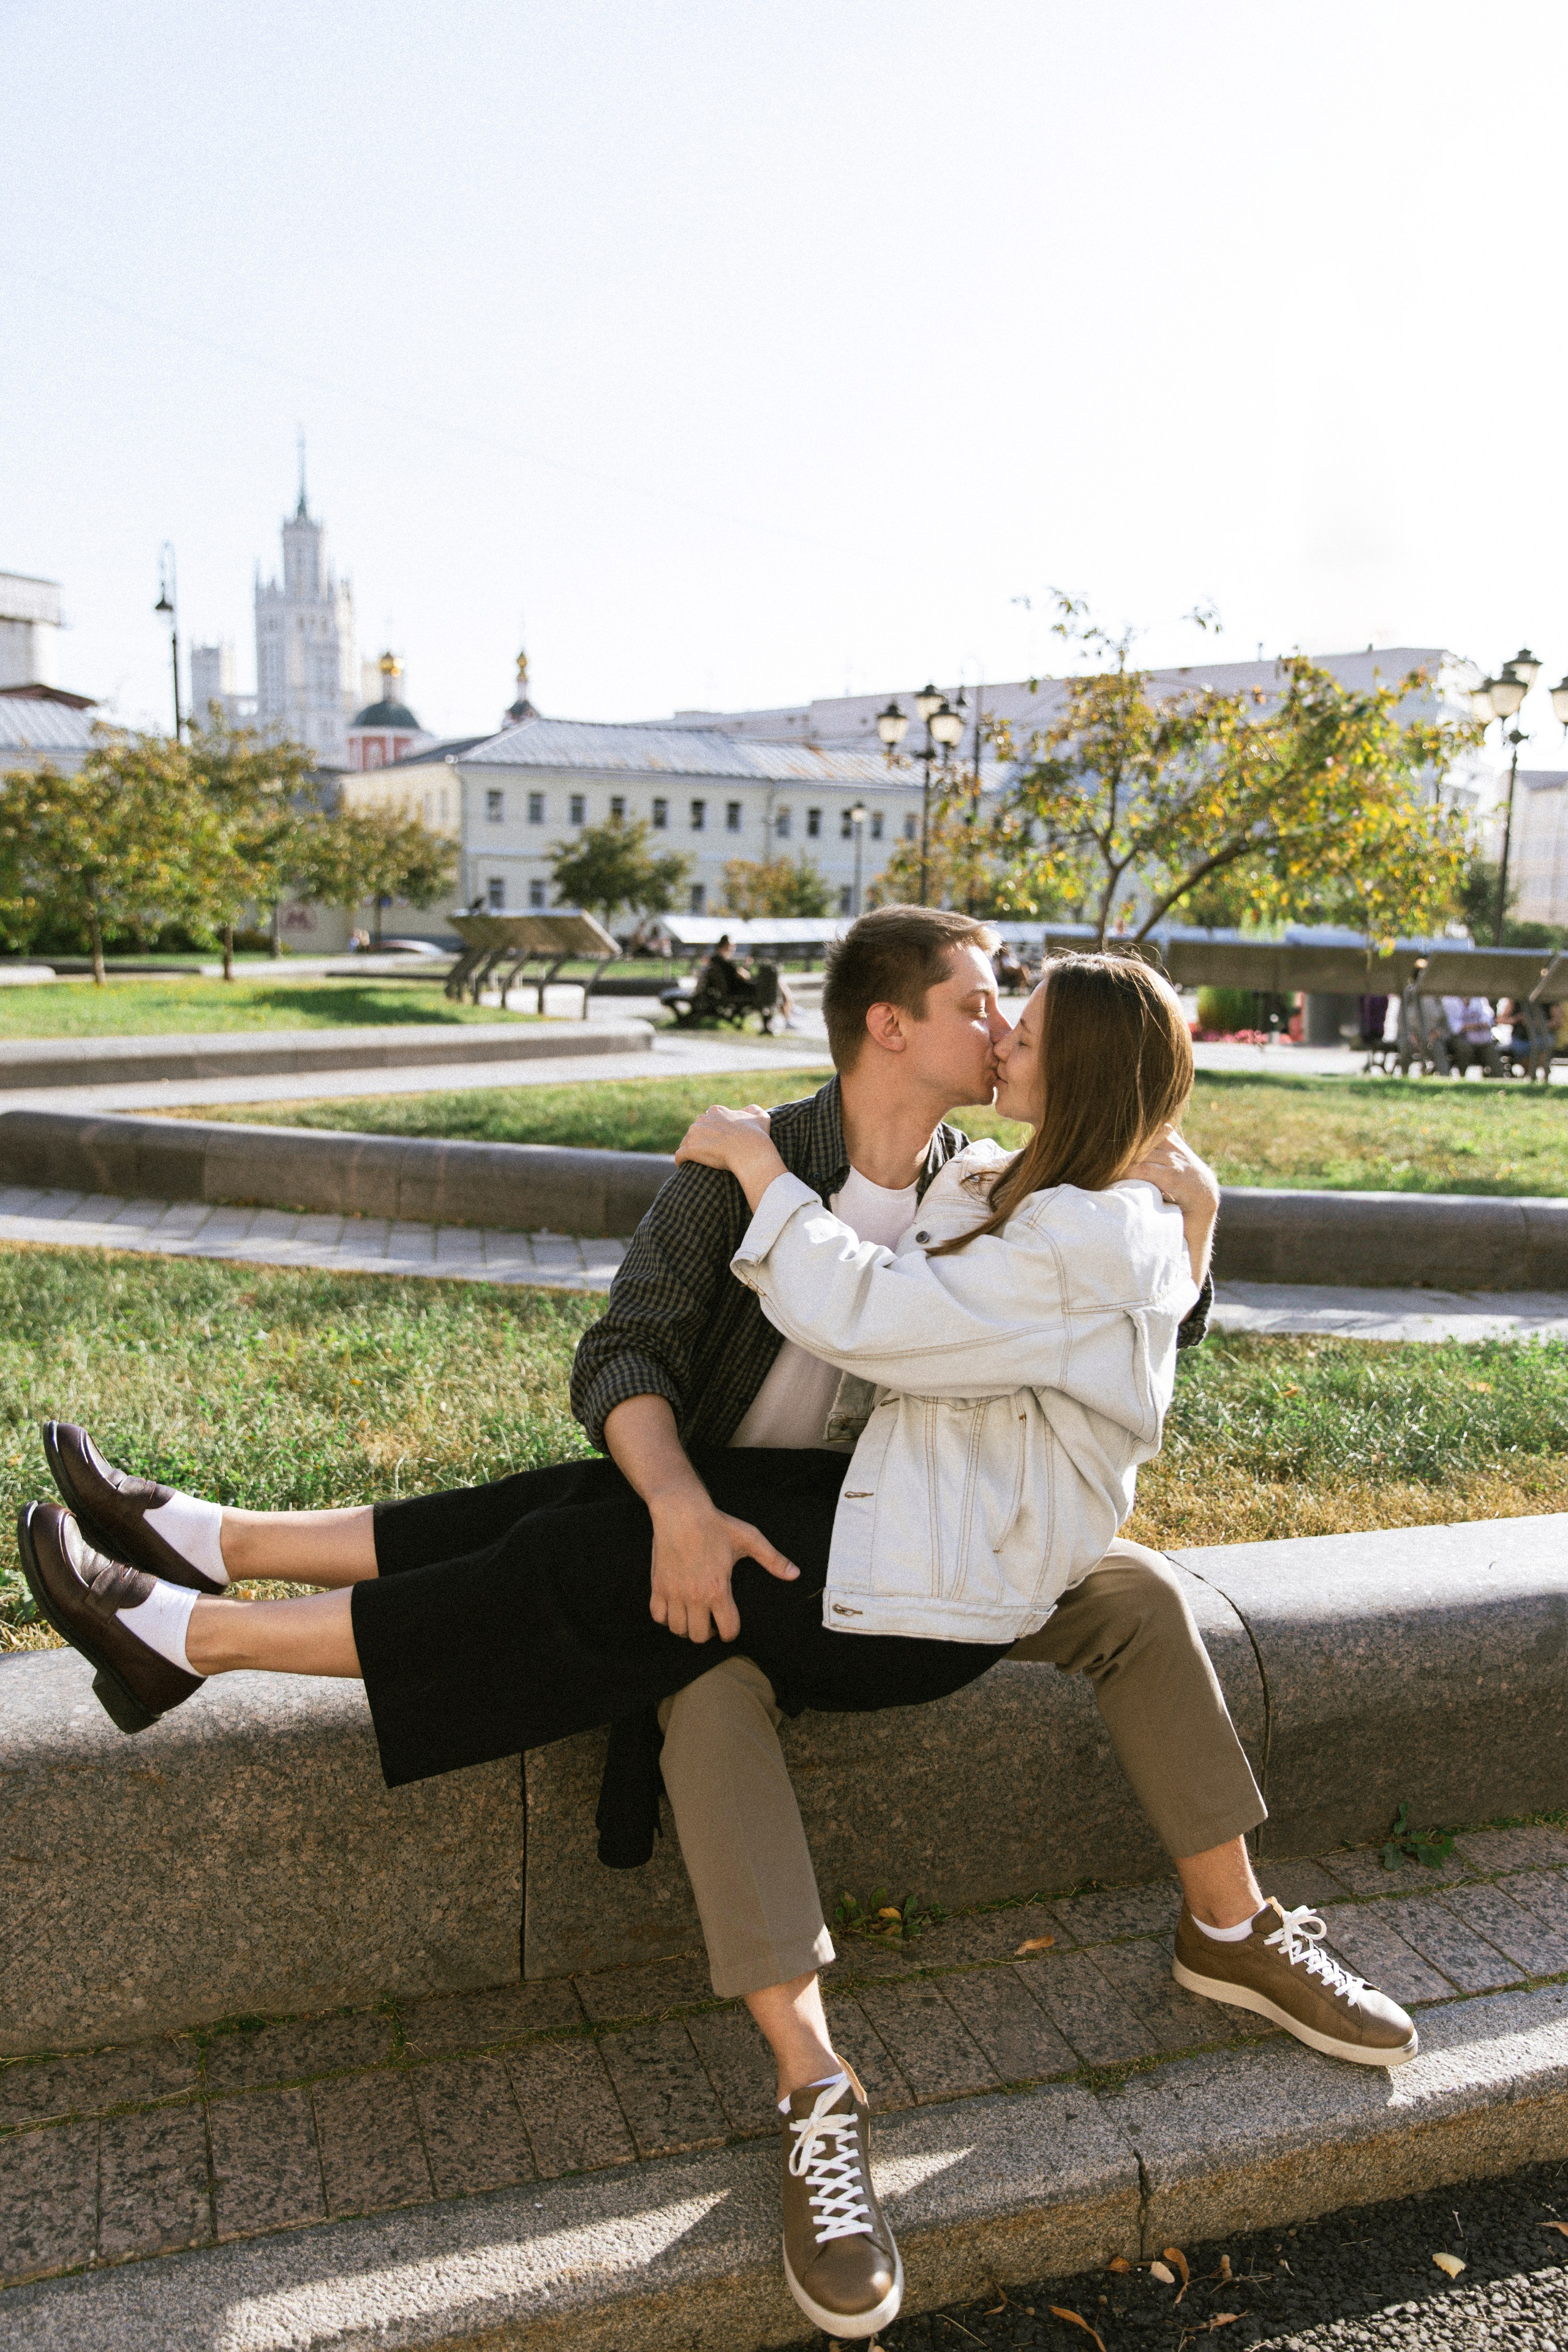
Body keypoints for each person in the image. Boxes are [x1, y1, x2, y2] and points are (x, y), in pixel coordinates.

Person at [21, 930, 1418, 2341]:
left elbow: (978, 1309)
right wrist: (684, 1493)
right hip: (836, 1523)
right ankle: (212, 1558)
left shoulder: (1006, 1195)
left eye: (1021, 1021)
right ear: (888, 1026)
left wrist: (1170, 1201)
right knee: (588, 1538)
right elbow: (626, 1352)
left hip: (922, 1561)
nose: (999, 1029)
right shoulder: (907, 1167)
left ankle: (1231, 1922)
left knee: (1121, 1592)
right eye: (980, 1004)